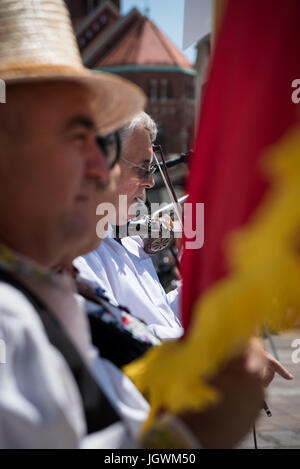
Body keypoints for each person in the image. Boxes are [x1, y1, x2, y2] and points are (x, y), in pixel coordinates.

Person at [0, 0, 269, 450]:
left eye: (100, 143)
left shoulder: (53, 280)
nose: (97, 166)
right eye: (75, 136)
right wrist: (193, 437)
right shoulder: (12, 318)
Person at [75, 112, 183, 340]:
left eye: (151, 169)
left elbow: (163, 316)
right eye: (142, 168)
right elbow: (124, 336)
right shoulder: (78, 251)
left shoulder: (130, 238)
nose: (151, 181)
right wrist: (207, 345)